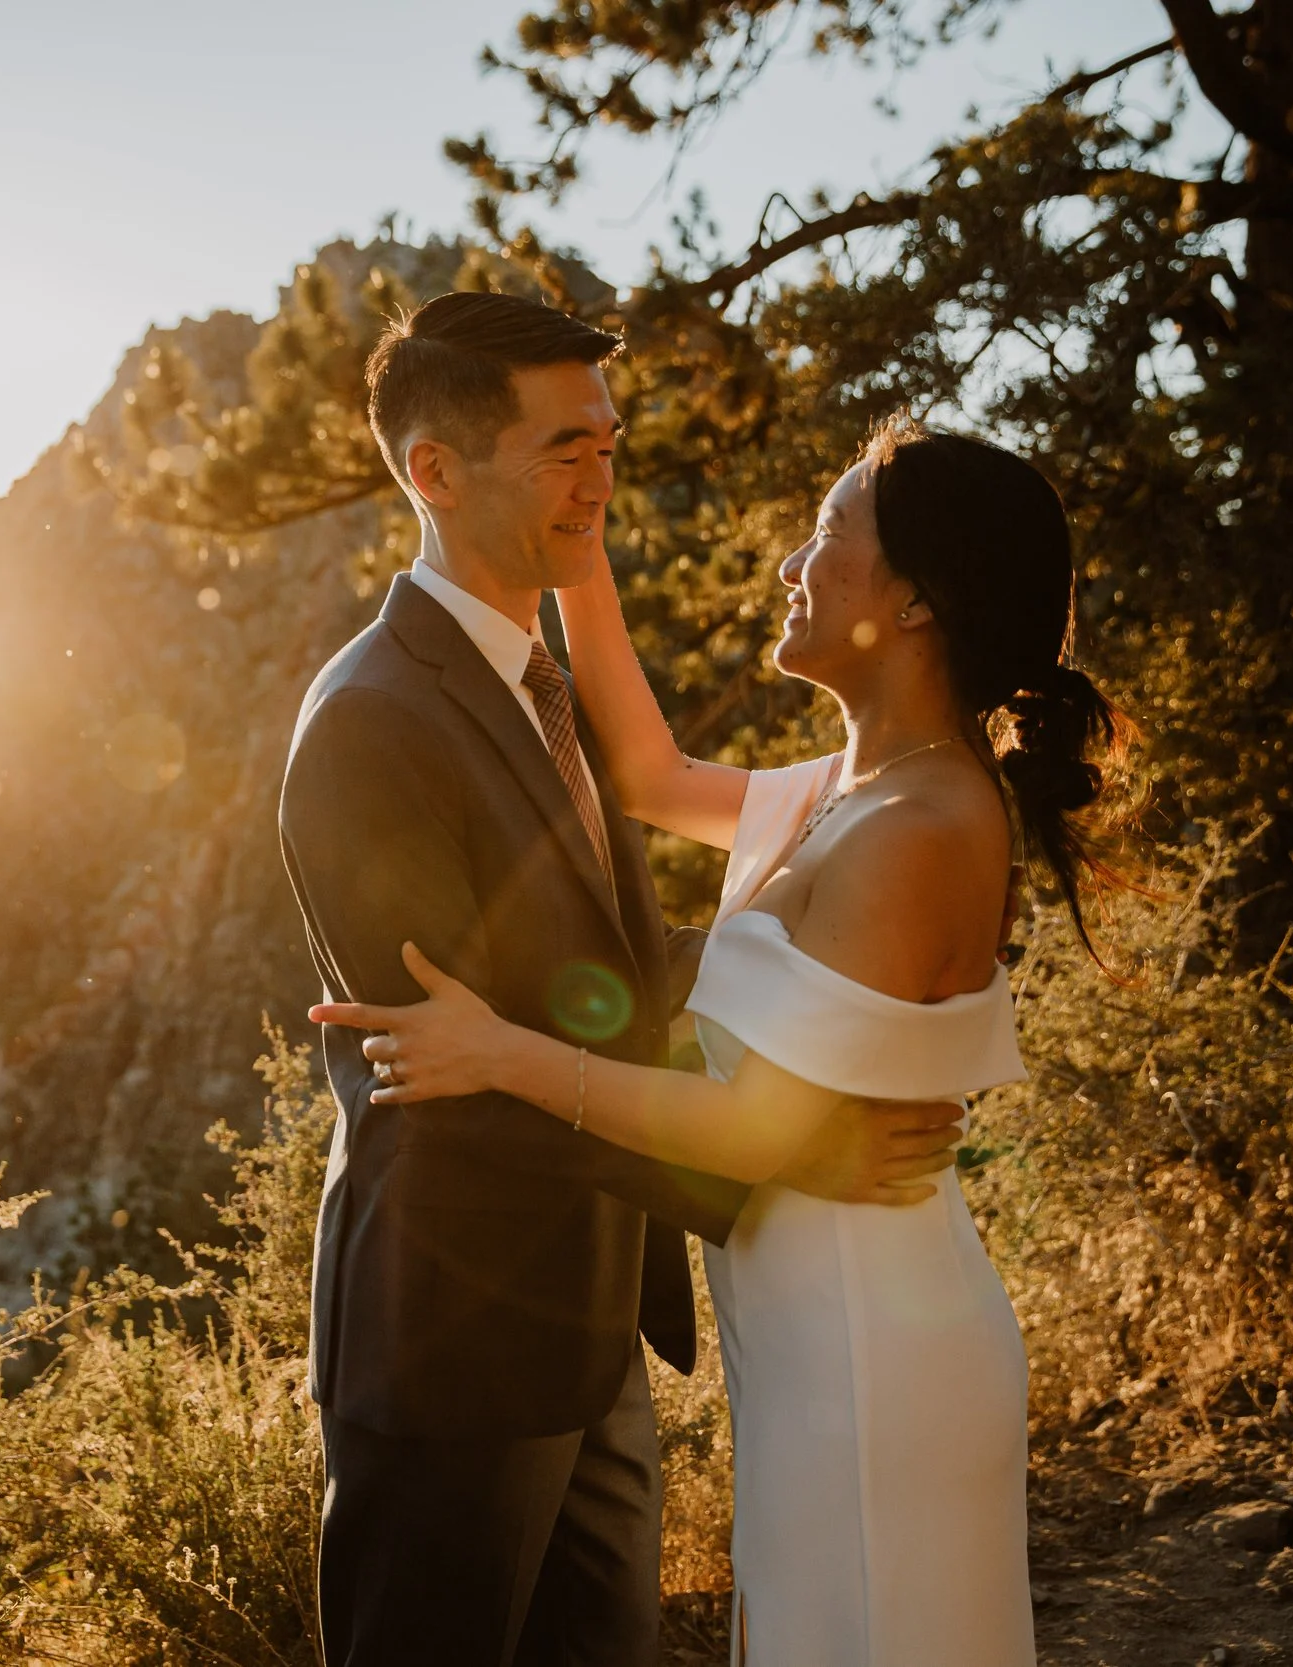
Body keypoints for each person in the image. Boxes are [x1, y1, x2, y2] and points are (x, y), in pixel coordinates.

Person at [314, 411, 1125, 1666]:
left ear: (912, 602)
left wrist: (498, 1052)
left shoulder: (923, 826)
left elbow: (753, 1133)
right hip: (811, 1327)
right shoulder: (841, 790)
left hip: (873, 1345)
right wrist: (569, 541)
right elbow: (638, 768)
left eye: (827, 534)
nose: (792, 565)